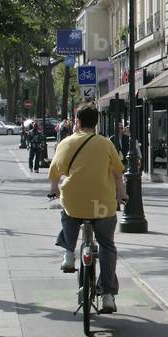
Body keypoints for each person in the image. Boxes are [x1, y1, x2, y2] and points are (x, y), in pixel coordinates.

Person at [49, 103, 127, 314]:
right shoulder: (106, 144)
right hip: (102, 205)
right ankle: (108, 295)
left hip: (75, 202)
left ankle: (68, 253)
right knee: (107, 246)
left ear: (78, 122)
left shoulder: (66, 142)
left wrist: (54, 190)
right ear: (96, 123)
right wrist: (122, 194)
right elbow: (118, 174)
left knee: (67, 214)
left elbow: (55, 173)